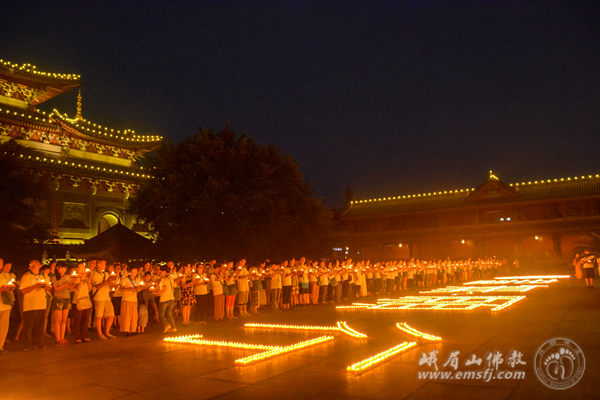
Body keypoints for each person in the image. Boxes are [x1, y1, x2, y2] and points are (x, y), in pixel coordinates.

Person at [19, 260, 52, 350]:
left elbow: (49, 288)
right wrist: (35, 286)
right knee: (29, 326)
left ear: (40, 266)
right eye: (31, 264)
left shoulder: (44, 276)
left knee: (39, 325)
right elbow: (22, 291)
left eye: (36, 264)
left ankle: (39, 342)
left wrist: (44, 287)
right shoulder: (26, 276)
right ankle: (26, 344)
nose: (33, 265)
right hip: (30, 305)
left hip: (41, 304)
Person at [91, 259, 116, 339]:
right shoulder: (94, 274)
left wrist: (113, 283)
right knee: (99, 316)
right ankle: (100, 334)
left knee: (111, 315)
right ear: (98, 265)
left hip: (106, 297)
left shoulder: (106, 274)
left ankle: (107, 332)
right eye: (103, 264)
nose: (105, 266)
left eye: (105, 264)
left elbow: (109, 285)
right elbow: (98, 286)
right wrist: (108, 280)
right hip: (99, 298)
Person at [51, 262, 74, 345]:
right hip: (58, 299)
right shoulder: (54, 277)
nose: (64, 269)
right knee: (58, 320)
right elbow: (55, 289)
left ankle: (62, 337)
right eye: (62, 267)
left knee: (64, 320)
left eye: (65, 268)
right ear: (57, 268)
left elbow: (71, 288)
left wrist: (73, 284)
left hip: (67, 298)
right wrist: (64, 285)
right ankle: (58, 338)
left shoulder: (68, 277)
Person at [71, 263, 93, 343]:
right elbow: (77, 288)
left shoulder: (86, 278)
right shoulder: (75, 277)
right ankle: (77, 337)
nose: (83, 268)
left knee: (85, 320)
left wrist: (88, 279)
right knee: (77, 320)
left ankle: (84, 336)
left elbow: (90, 289)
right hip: (77, 301)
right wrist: (82, 278)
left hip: (85, 300)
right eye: (81, 267)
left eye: (84, 267)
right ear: (77, 269)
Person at [119, 267, 142, 335]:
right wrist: (129, 289)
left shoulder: (137, 280)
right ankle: (126, 330)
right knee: (127, 315)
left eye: (136, 272)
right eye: (133, 272)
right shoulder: (126, 279)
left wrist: (140, 288)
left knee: (134, 316)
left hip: (134, 300)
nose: (134, 273)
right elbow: (121, 289)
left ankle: (133, 330)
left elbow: (138, 289)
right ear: (130, 272)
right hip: (126, 299)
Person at [154, 265, 177, 333]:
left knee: (161, 314)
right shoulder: (170, 277)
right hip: (171, 298)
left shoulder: (164, 279)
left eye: (161, 271)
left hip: (164, 298)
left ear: (164, 271)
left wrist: (156, 293)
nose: (160, 272)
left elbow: (165, 289)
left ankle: (167, 325)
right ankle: (174, 327)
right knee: (169, 314)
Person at [0, 260, 16, 353]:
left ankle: (0, 346)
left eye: (1, 263)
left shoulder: (6, 276)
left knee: (3, 327)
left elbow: (11, 285)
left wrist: (11, 287)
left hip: (5, 304)